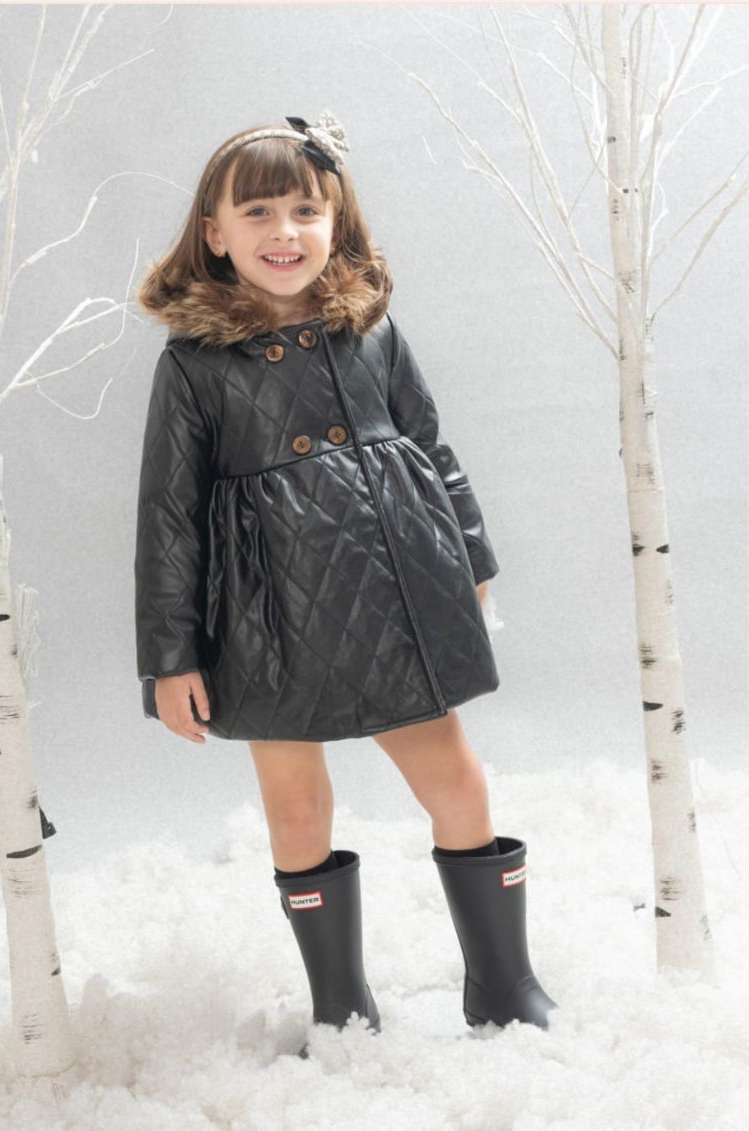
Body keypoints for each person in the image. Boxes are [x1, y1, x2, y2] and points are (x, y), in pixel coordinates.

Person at [134, 110, 558, 1057]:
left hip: (393, 591)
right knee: (296, 808)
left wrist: (471, 562)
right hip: (267, 617)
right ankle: (340, 1005)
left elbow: (432, 448)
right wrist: (170, 656)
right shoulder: (194, 366)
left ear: (336, 221)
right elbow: (167, 516)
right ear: (214, 233)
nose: (283, 233)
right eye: (256, 213)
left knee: (456, 782)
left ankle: (503, 981)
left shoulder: (370, 331)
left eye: (303, 210)